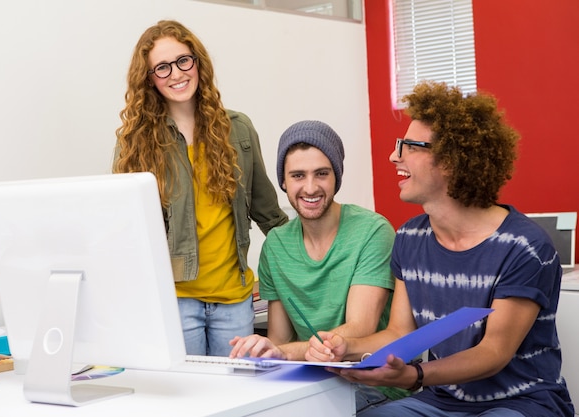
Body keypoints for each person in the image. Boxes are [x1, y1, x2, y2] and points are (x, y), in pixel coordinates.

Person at [306, 81, 575, 417]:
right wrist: (347, 348)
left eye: (409, 147)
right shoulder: (409, 238)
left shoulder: (524, 246)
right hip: (442, 400)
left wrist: (416, 375)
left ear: (450, 160)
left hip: (522, 403)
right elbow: (399, 333)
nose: (394, 156)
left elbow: (493, 353)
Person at [112, 20, 288, 357]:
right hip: (174, 299)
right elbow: (126, 231)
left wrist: (316, 257)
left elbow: (269, 214)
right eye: (162, 68)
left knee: (237, 399)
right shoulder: (134, 142)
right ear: (149, 79)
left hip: (234, 300)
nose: (176, 74)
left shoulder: (237, 129)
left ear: (197, 62)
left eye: (183, 61)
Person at [229, 120, 408, 410]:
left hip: (370, 384)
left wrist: (282, 353)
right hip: (312, 384)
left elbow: (360, 330)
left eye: (321, 174)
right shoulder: (276, 245)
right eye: (298, 175)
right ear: (283, 181)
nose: (310, 187)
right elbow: (280, 339)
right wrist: (266, 350)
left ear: (336, 176)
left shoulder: (373, 231)